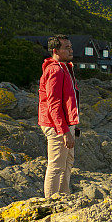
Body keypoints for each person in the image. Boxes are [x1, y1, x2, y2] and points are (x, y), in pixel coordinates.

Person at [38, 34, 79, 197]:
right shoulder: (54, 70)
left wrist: (72, 127)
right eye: (66, 47)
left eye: (70, 46)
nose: (71, 50)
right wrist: (64, 131)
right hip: (55, 125)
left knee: (67, 162)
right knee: (56, 166)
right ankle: (51, 202)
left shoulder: (63, 67)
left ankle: (63, 196)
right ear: (55, 50)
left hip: (64, 123)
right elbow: (53, 104)